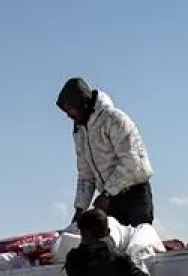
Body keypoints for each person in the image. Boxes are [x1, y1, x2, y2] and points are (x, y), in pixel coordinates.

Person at [57, 78, 155, 227]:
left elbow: (131, 162)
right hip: (110, 202)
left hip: (134, 194)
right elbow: (86, 174)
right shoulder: (80, 132)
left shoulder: (114, 119)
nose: (68, 115)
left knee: (137, 245)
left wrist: (107, 194)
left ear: (83, 101)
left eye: (70, 109)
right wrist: (80, 209)